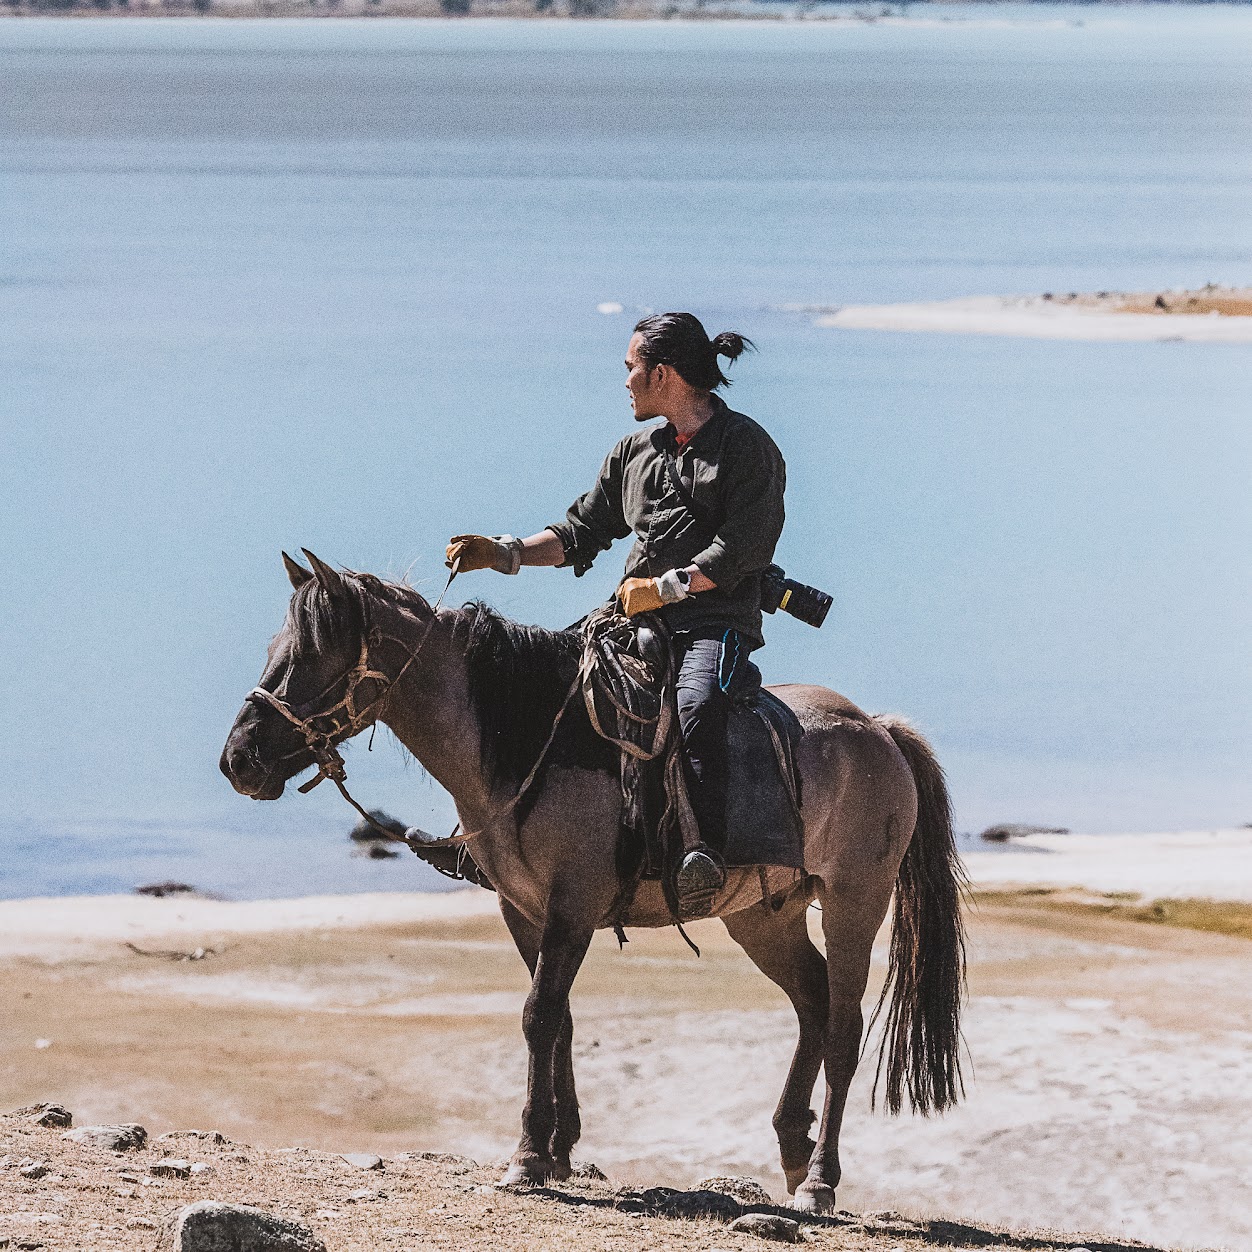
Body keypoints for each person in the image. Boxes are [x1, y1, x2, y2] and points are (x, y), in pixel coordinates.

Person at [446, 312, 786, 915]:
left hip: (715, 624)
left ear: (663, 374)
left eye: (632, 368)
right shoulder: (633, 453)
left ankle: (703, 853)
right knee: (537, 684)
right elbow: (579, 533)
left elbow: (741, 551)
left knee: (697, 705)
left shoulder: (748, 448)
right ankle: (495, 839)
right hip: (631, 621)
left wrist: (665, 589)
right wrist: (504, 553)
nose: (625, 380)